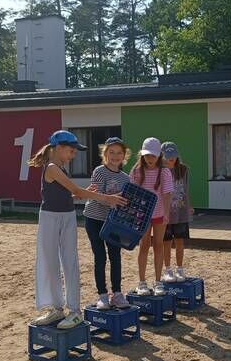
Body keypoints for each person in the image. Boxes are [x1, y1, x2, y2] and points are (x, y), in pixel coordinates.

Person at [29, 130, 127, 328]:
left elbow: (70, 195)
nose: (73, 155)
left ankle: (74, 311)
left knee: (70, 262)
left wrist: (83, 194)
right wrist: (106, 197)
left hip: (67, 216)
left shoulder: (61, 168)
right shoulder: (52, 168)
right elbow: (74, 189)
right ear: (59, 148)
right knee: (49, 263)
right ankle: (56, 308)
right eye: (71, 151)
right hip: (49, 217)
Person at [83, 137, 133, 310]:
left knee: (115, 257)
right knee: (100, 257)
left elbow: (125, 201)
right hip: (94, 219)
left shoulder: (126, 178)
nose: (115, 156)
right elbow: (97, 195)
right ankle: (102, 295)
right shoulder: (99, 171)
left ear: (124, 156)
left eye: (119, 153)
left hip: (114, 223)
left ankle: (117, 294)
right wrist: (113, 199)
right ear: (105, 154)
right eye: (111, 152)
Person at [130, 137, 174, 296]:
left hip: (159, 213)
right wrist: (133, 212)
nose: (150, 158)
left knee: (158, 245)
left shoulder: (164, 171)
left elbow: (167, 193)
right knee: (144, 245)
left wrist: (166, 213)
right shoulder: (136, 171)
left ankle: (158, 282)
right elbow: (132, 192)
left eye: (153, 155)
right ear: (142, 155)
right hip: (143, 215)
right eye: (147, 155)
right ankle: (142, 282)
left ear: (159, 155)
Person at [160, 142, 193, 283]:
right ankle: (167, 270)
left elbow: (186, 189)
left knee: (180, 241)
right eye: (167, 156)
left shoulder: (183, 170)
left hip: (181, 212)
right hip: (165, 214)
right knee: (166, 243)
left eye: (173, 155)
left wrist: (189, 206)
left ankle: (180, 269)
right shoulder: (160, 171)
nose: (171, 158)